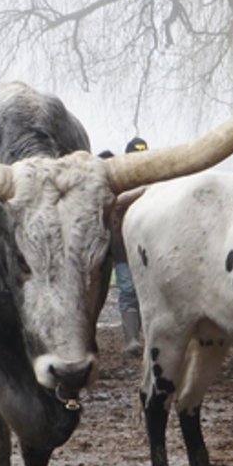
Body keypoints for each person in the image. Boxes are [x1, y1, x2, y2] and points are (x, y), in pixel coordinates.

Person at [108, 137, 148, 356]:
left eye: (142, 154)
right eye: (134, 154)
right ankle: (131, 338)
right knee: (128, 289)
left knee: (148, 291)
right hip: (124, 248)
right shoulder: (118, 181)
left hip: (149, 247)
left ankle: (148, 336)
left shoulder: (155, 180)